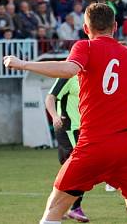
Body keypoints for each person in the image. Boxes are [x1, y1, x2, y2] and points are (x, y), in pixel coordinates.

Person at [3, 3, 127, 224]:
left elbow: (68, 69)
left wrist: (24, 64)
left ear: (86, 29)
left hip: (94, 144)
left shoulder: (85, 47)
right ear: (115, 27)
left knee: (54, 208)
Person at [44, 76, 89, 222]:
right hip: (69, 128)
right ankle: (74, 208)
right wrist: (54, 116)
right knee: (80, 167)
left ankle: (58, 207)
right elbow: (50, 97)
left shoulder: (89, 74)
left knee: (68, 170)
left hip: (84, 128)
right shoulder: (67, 75)